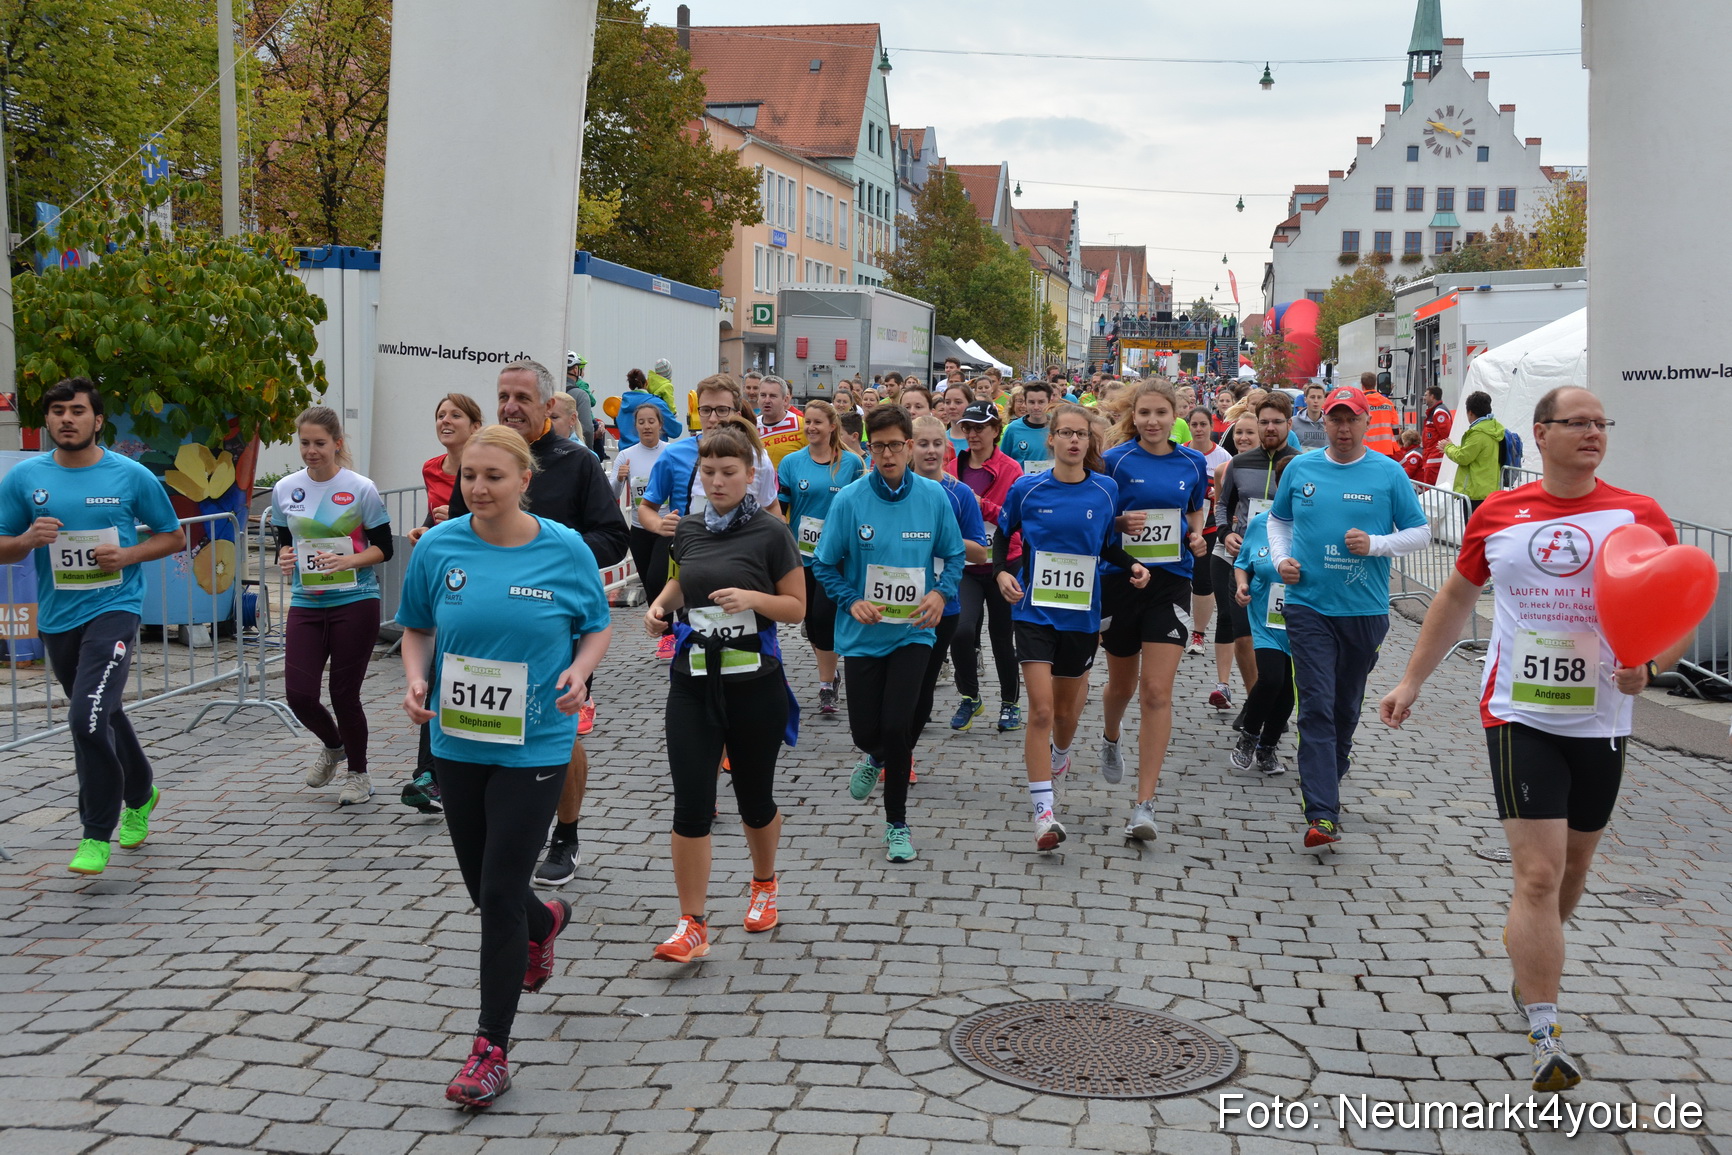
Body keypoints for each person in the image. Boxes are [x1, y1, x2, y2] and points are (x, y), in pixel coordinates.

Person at [1378, 385, 1684, 1094]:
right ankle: (1545, 1028)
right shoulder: (1499, 514)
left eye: (1601, 424)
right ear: (1540, 433)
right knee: (1539, 874)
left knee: (1572, 871)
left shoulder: (1639, 515)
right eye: (1577, 423)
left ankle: (1527, 949)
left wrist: (1652, 665)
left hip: (1603, 717)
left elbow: (1679, 606)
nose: (1592, 433)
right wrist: (1412, 680)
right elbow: (1455, 600)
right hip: (1519, 710)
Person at [397, 425, 612, 1109]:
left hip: (537, 742)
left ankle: (490, 1047)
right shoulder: (439, 546)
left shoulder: (563, 547)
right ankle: (543, 922)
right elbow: (418, 626)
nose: (479, 488)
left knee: (496, 893)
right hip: (458, 741)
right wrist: (414, 679)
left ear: (526, 479)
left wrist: (580, 670)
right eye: (469, 476)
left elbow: (597, 623)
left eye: (493, 476)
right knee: (484, 886)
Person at [447, 360, 629, 886]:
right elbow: (468, 525)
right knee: (492, 723)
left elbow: (613, 537)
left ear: (549, 405)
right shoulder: (487, 457)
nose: (510, 406)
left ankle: (565, 834)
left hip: (557, 627)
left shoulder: (577, 462)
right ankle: (505, 826)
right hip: (487, 626)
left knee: (557, 730)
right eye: (504, 395)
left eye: (522, 397)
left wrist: (553, 560)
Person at [0, 377, 185, 875]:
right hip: (58, 618)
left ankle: (95, 832)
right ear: (47, 420)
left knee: (85, 716)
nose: (67, 419)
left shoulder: (129, 475)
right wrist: (26, 540)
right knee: (103, 712)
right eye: (58, 411)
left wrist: (126, 555)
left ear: (97, 420)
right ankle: (142, 792)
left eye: (77, 410)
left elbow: (172, 538)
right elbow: (1, 545)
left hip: (115, 608)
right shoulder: (24, 479)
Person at [642, 417, 805, 964]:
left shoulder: (771, 532)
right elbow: (682, 578)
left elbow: (797, 607)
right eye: (708, 472)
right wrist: (661, 605)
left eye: (728, 472)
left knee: (754, 801)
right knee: (690, 802)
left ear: (751, 473)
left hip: (754, 683)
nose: (716, 481)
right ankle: (691, 923)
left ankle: (764, 883)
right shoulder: (687, 528)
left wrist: (752, 600)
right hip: (692, 681)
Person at [1266, 383, 1430, 849]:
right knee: (1316, 704)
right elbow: (1279, 520)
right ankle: (1322, 813)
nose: (1341, 427)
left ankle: (1333, 764)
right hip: (1307, 604)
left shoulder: (1388, 472)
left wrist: (1377, 545)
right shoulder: (1301, 468)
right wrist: (1281, 562)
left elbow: (1420, 533)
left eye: (1350, 419)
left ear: (1364, 423)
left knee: (1344, 706)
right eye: (1334, 419)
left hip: (1365, 609)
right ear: (1325, 422)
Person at [813, 405, 965, 863]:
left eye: (896, 445)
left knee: (899, 726)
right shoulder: (850, 499)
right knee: (865, 731)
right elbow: (823, 563)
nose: (888, 454)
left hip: (913, 632)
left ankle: (897, 823)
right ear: (868, 447)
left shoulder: (934, 497)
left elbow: (954, 557)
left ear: (909, 445)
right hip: (863, 632)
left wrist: (939, 595)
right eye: (878, 446)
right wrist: (850, 599)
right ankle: (873, 756)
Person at [996, 403, 1150, 850]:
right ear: (1053, 439)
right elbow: (1004, 536)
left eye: (1080, 434)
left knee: (1065, 715)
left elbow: (1105, 544)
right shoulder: (1026, 488)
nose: (1073, 441)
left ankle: (1059, 759)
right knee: (1041, 710)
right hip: (1034, 611)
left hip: (1081, 615)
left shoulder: (1104, 490)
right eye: (1065, 433)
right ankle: (1044, 814)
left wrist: (1133, 565)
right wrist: (1004, 573)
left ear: (1089, 441)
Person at [1097, 383, 1210, 840]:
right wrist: (1120, 524)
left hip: (1170, 583)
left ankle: (1144, 804)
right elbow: (1098, 515)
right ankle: (1109, 737)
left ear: (1175, 414)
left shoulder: (1193, 462)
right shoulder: (1115, 461)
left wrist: (1198, 537)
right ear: (1133, 415)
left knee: (1157, 691)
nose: (1153, 421)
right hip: (1120, 579)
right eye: (1144, 413)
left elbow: (1196, 511)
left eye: (1161, 413)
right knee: (1122, 686)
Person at [271, 407, 394, 807]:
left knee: (344, 694)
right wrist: (284, 557)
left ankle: (359, 774)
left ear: (337, 444)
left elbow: (384, 548)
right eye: (304, 443)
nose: (311, 451)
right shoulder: (286, 488)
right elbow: (282, 541)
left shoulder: (361, 488)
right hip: (307, 602)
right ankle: (334, 744)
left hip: (355, 601)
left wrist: (349, 561)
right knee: (298, 695)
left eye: (319, 444)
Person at [1210, 393, 1298, 713]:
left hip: (1283, 567)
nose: (1270, 428)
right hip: (1245, 565)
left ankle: (1271, 704)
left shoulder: (1301, 464)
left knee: (1280, 641)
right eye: (1264, 422)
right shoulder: (1239, 463)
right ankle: (1254, 703)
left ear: (1289, 424)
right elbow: (1223, 505)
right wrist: (1226, 533)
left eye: (1277, 422)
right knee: (1244, 637)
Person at [777, 399, 866, 714]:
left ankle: (826, 685)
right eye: (808, 422)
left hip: (838, 557)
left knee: (825, 616)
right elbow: (780, 508)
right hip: (802, 556)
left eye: (818, 422)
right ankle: (833, 673)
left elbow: (860, 508)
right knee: (811, 622)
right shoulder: (791, 463)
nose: (811, 428)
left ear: (832, 427)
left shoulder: (852, 464)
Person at [908, 416, 990, 753]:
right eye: (923, 444)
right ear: (909, 446)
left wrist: (940, 538)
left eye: (936, 444)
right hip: (896, 599)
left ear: (947, 448)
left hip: (942, 601)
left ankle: (903, 756)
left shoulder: (960, 495)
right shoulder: (891, 489)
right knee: (900, 683)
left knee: (921, 684)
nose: (930, 451)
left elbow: (980, 553)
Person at [945, 401, 1026, 734]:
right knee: (960, 631)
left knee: (1002, 638)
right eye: (967, 427)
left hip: (1004, 562)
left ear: (996, 429)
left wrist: (983, 506)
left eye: (980, 427)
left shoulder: (1012, 470)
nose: (973, 434)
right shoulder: (951, 467)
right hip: (965, 563)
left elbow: (1018, 522)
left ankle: (1010, 702)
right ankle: (970, 697)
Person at [1230, 500, 1294, 777]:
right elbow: (1243, 562)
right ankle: (1249, 737)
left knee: (1290, 690)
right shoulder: (1262, 522)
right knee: (1271, 678)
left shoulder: (1320, 522)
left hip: (1304, 619)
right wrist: (1242, 584)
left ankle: (1267, 748)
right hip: (1266, 615)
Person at [615, 397, 674, 658]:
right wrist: (618, 479)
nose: (647, 426)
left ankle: (672, 630)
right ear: (635, 426)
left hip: (666, 527)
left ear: (660, 425)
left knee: (658, 578)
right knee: (650, 584)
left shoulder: (671, 452)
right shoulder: (626, 456)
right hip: (639, 530)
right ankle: (667, 634)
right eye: (641, 422)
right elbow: (611, 493)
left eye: (651, 421)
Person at [1185, 406, 1233, 655]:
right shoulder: (1179, 452)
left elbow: (1231, 495)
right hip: (1182, 527)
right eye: (1194, 425)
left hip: (1210, 526)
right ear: (1189, 426)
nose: (1199, 429)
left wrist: (1218, 493)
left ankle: (1198, 634)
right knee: (1180, 579)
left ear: (1211, 427)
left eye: (1203, 424)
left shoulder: (1222, 456)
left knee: (1204, 581)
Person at [420, 393, 484, 531]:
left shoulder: (488, 471)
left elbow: (500, 519)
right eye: (441, 416)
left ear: (475, 427)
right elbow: (434, 511)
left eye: (455, 415)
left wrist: (458, 517)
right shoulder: (429, 468)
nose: (445, 421)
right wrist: (425, 528)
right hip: (441, 549)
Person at [1445, 389, 1506, 516]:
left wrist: (1448, 447)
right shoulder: (1494, 428)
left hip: (1475, 491)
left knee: (1473, 531)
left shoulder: (1478, 433)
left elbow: (1463, 457)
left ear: (1470, 412)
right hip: (1490, 488)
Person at [615, 367, 683, 451]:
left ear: (630, 386)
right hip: (653, 454)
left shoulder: (622, 405)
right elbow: (675, 431)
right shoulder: (657, 403)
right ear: (646, 383)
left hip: (626, 455)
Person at [999, 380, 1055, 472]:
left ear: (1049, 402)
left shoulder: (1057, 427)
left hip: (1051, 485)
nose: (1036, 407)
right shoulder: (1013, 429)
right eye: (1032, 402)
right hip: (1023, 485)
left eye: (1041, 402)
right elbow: (1003, 463)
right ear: (1025, 402)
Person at [755, 375, 804, 467]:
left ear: (785, 400)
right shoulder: (750, 427)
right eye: (763, 395)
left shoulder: (802, 425)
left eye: (773, 396)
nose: (767, 400)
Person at [564, 353, 604, 459]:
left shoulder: (551, 390)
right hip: (576, 453)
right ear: (575, 370)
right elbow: (587, 429)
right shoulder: (580, 394)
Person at [1360, 371, 1401, 458]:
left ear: (1362, 385)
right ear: (1375, 384)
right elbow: (1395, 427)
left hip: (1365, 449)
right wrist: (1395, 441)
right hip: (1386, 449)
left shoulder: (1360, 403)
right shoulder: (1388, 403)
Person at [1420, 384, 1451, 485]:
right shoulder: (1434, 412)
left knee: (1431, 489)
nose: (1424, 398)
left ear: (1432, 397)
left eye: (1426, 395)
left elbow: (1446, 434)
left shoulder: (1438, 413)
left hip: (1435, 459)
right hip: (1432, 457)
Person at [1292, 383, 1328, 451]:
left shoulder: (1330, 423)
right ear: (1305, 400)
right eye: (1312, 397)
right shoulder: (1293, 423)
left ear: (1324, 400)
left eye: (1319, 397)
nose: (1316, 401)